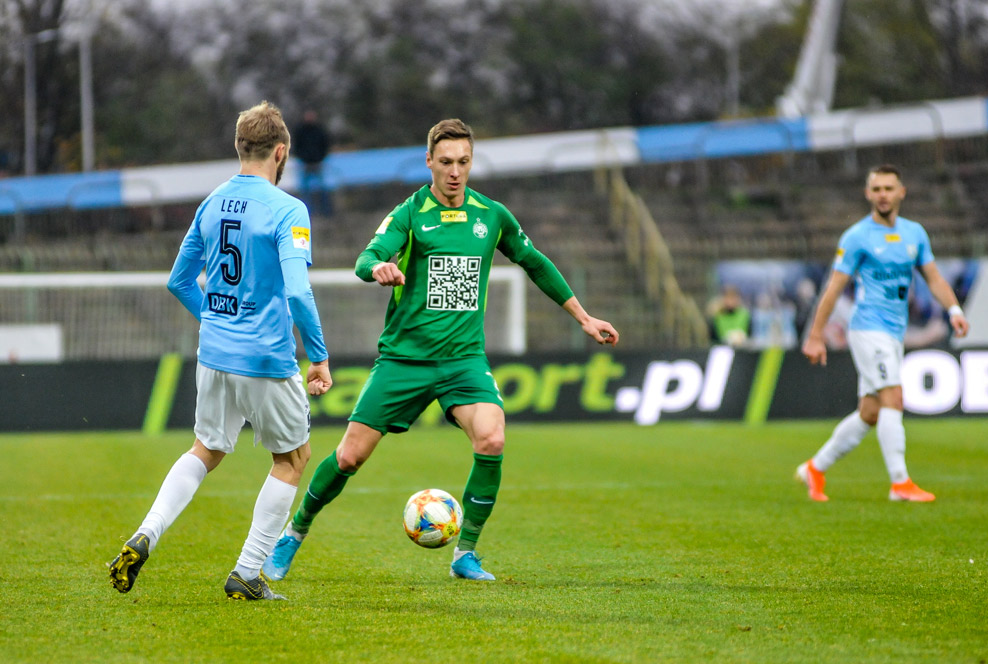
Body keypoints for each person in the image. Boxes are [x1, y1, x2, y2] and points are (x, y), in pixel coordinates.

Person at [262, 118, 619, 582]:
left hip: (463, 360)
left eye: (463, 162)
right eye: (446, 162)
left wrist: (584, 317)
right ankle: (294, 533)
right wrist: (378, 269)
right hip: (404, 359)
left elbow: (534, 262)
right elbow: (366, 258)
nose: (455, 171)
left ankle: (465, 553)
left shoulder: (492, 216)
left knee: (492, 439)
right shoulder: (410, 213)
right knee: (349, 457)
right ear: (429, 161)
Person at [107, 101, 333, 601]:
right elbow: (298, 293)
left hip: (213, 354)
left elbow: (179, 280)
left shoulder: (211, 203)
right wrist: (318, 356)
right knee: (292, 458)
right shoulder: (288, 210)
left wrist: (215, 316)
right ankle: (248, 573)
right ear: (281, 152)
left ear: (238, 147)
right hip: (265, 356)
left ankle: (146, 532)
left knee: (205, 450)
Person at [796, 164, 969, 502]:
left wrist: (955, 310)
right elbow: (833, 289)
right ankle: (900, 483)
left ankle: (815, 468)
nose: (883, 195)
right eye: (877, 189)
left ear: (901, 192)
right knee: (894, 398)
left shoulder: (914, 234)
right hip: (867, 328)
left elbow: (934, 278)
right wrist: (815, 335)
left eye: (889, 188)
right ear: (868, 194)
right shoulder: (857, 236)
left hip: (894, 331)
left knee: (871, 413)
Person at [293, 109, 333, 218]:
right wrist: (303, 158)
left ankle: (326, 211)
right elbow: (297, 146)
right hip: (305, 163)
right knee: (305, 190)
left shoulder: (319, 130)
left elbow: (325, 145)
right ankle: (307, 212)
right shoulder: (300, 131)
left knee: (322, 188)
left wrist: (320, 158)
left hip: (317, 163)